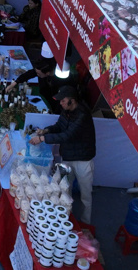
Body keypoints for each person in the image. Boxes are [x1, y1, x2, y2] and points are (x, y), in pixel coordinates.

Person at [30, 86, 96, 223]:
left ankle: (86, 222)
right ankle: (67, 217)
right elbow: (59, 126)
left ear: (72, 100)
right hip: (67, 156)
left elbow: (67, 135)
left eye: (63, 100)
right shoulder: (66, 111)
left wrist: (42, 139)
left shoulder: (83, 115)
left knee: (85, 195)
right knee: (65, 188)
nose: (60, 103)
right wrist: (46, 131)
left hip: (83, 160)